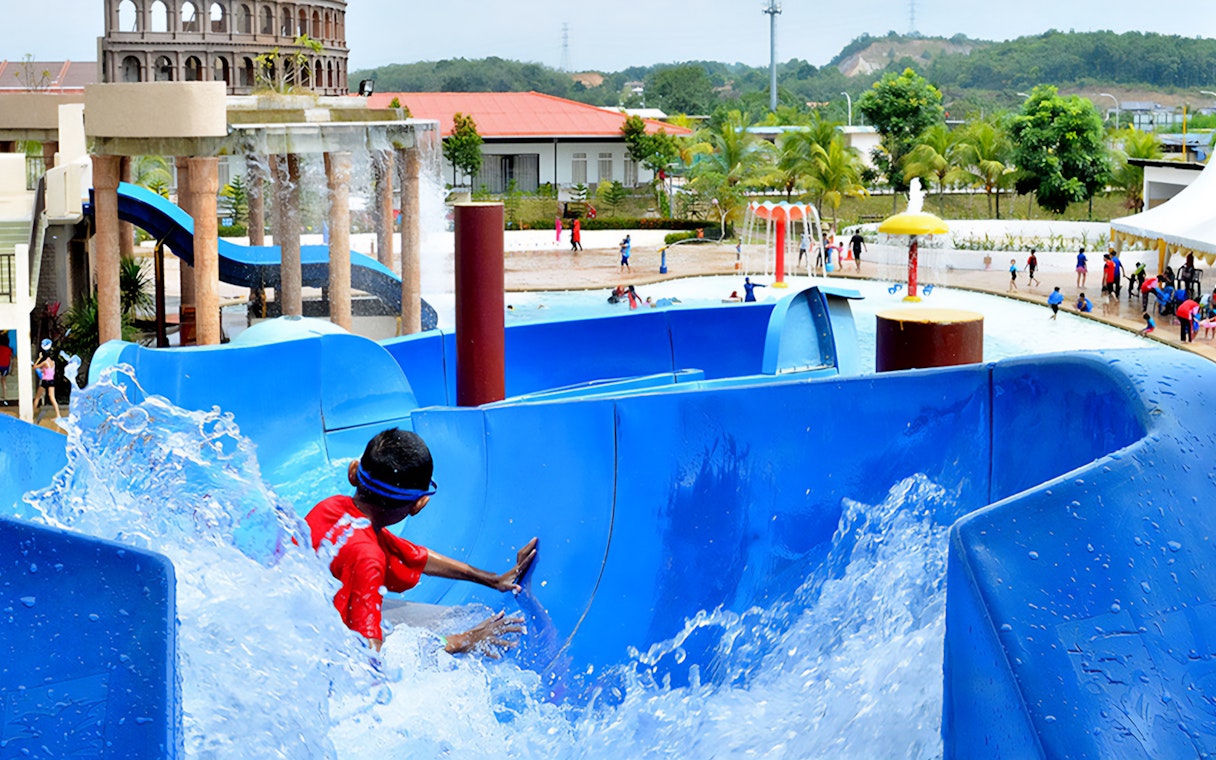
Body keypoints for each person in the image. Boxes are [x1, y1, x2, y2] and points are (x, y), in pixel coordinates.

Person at [306, 428, 537, 655]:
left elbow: (415, 557)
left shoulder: (331, 508)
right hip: (328, 652)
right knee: (459, 625)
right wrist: (464, 640)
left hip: (309, 627)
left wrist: (494, 580)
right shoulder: (367, 556)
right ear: (419, 504)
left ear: (353, 472)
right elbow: (369, 657)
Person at [33, 338, 60, 420]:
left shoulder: (44, 362)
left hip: (45, 381)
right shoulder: (53, 363)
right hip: (52, 381)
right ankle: (58, 414)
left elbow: (34, 367)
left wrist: (39, 358)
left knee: (37, 397)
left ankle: (32, 413)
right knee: (52, 398)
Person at [0, 332, 11, 405]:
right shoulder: (9, 349)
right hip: (5, 366)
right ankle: (5, 397)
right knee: (3, 382)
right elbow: (11, 359)